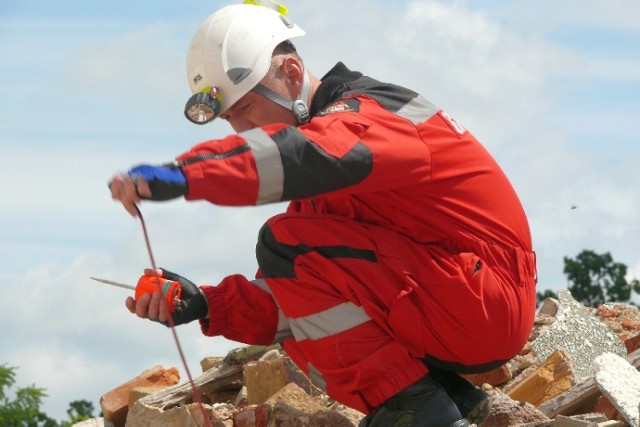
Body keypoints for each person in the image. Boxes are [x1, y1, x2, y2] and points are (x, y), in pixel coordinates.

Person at [109, 3, 537, 426]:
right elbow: (295, 298)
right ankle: (449, 400)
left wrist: (184, 174)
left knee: (285, 245)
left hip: (485, 301)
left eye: (245, 110)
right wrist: (206, 304)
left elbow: (299, 156)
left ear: (292, 75)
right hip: (464, 301)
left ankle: (417, 409)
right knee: (291, 258)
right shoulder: (328, 173)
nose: (241, 130)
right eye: (230, 119)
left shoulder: (370, 117)